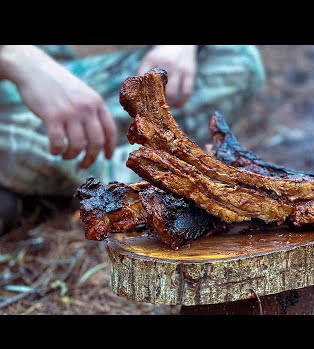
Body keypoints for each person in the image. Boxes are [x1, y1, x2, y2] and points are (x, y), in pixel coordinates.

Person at [0, 45, 265, 234]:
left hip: (66, 75)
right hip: (20, 78)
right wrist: (17, 60)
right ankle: (135, 181)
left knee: (234, 57)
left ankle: (36, 181)